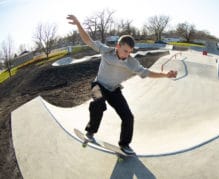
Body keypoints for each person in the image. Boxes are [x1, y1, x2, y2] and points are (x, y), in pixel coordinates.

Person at [67, 15, 177, 155]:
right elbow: (88, 40)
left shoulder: (132, 62)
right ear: (118, 46)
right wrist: (78, 24)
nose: (127, 55)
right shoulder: (106, 51)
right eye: (125, 51)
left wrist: (165, 75)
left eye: (130, 52)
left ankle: (124, 144)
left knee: (128, 117)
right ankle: (90, 131)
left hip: (114, 90)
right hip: (98, 85)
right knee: (98, 103)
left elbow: (146, 72)